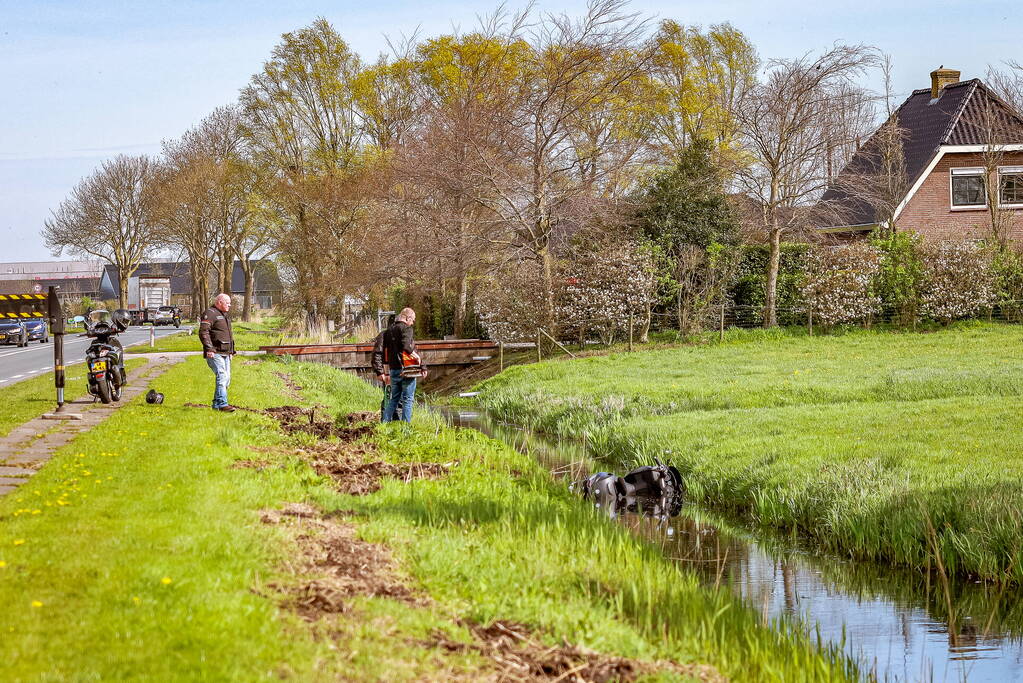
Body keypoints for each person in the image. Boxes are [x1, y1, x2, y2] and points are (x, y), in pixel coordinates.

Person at [382, 307, 426, 423]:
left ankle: (384, 422)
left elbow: (385, 352)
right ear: (408, 318)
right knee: (408, 399)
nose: (413, 323)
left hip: (393, 369)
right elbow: (406, 346)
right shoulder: (407, 328)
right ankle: (406, 427)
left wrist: (386, 372)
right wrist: (418, 358)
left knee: (394, 399)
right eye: (413, 320)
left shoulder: (388, 331)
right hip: (406, 370)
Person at [198, 293, 236, 412]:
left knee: (226, 379)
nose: (229, 305)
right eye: (227, 303)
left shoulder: (224, 315)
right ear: (219, 302)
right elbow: (203, 332)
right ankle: (223, 404)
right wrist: (209, 349)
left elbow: (228, 334)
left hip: (225, 352)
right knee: (222, 376)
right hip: (215, 352)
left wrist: (231, 351)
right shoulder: (210, 313)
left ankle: (216, 404)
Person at [371, 317, 401, 421]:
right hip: (388, 371)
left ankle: (397, 422)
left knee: (399, 398)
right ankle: (386, 421)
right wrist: (380, 372)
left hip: (399, 370)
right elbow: (377, 354)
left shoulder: (402, 334)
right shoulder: (384, 335)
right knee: (389, 396)